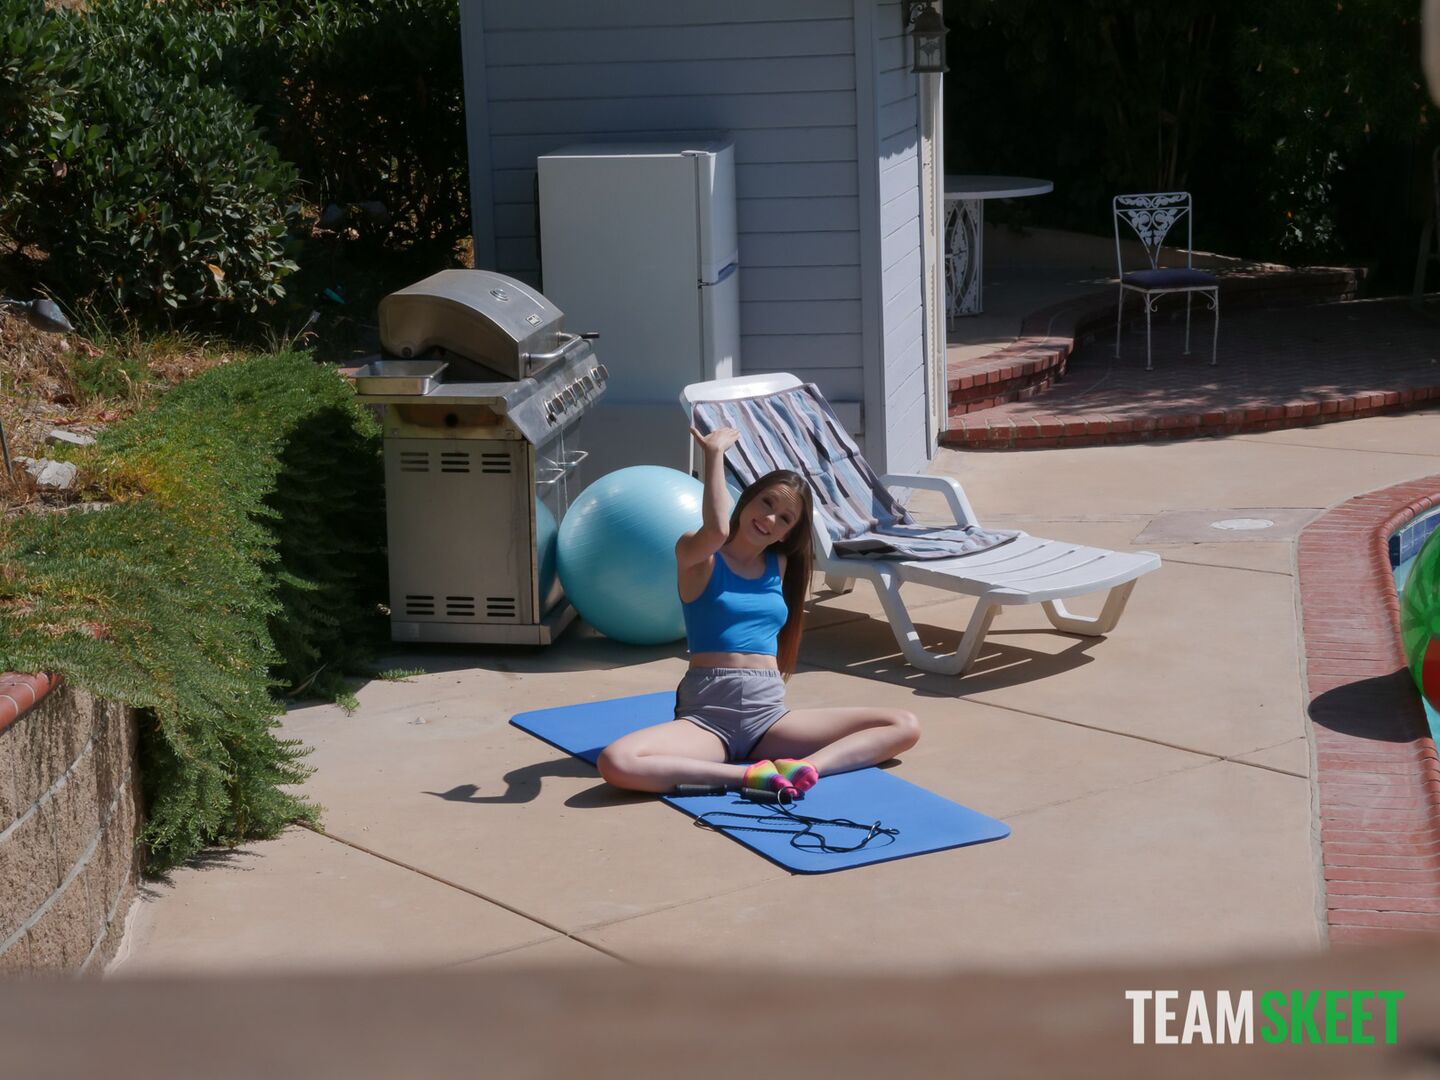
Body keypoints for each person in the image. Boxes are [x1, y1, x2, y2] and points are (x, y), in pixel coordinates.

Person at [596, 425, 920, 798]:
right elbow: (716, 531)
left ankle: (806, 769)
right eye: (766, 503)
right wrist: (714, 454)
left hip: (768, 718)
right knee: (616, 761)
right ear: (746, 501)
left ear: (787, 534)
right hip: (707, 718)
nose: (770, 519)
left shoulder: (780, 566)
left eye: (785, 518)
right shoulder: (697, 556)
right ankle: (748, 776)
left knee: (903, 724)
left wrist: (810, 762)